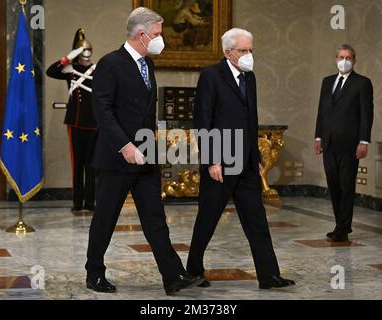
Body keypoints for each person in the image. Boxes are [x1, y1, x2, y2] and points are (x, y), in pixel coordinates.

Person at [85, 7, 204, 295]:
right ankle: (94, 273)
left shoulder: (147, 65)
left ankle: (173, 275)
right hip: (116, 159)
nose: (161, 39)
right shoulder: (110, 64)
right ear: (142, 34)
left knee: (155, 218)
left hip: (146, 157)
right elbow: (102, 111)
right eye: (158, 34)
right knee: (106, 219)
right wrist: (125, 146)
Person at [186, 28, 295, 290]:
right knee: (208, 218)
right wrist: (212, 161)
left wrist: (256, 156)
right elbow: (203, 121)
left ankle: (269, 276)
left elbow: (251, 120)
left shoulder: (250, 77)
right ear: (228, 52)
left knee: (257, 219)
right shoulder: (211, 76)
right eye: (243, 51)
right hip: (220, 162)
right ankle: (192, 271)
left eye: (251, 50)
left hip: (246, 162)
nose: (248, 55)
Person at [315, 44, 374, 242]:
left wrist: (363, 141)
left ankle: (342, 229)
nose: (344, 60)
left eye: (348, 57)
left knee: (346, 185)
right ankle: (342, 225)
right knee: (333, 185)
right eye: (341, 57)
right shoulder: (327, 82)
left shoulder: (362, 83)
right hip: (329, 142)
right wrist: (318, 137)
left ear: (354, 61)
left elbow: (367, 115)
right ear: (335, 59)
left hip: (350, 144)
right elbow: (321, 112)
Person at [46, 29, 97, 213]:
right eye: (81, 51)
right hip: (75, 122)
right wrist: (68, 57)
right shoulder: (70, 70)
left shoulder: (97, 69)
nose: (85, 54)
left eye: (87, 50)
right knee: (77, 164)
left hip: (93, 123)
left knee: (92, 166)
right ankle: (77, 203)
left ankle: (90, 203)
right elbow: (50, 71)